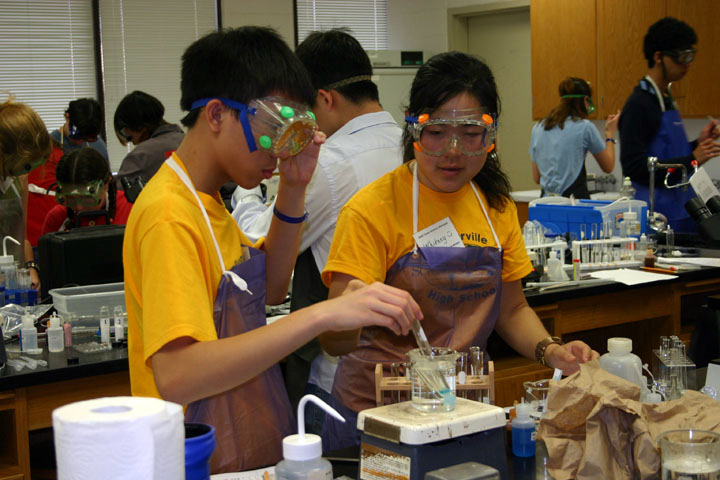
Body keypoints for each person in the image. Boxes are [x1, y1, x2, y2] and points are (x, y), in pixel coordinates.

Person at [123, 26, 420, 474]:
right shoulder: (170, 213)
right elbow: (178, 375)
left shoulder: (207, 202)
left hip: (233, 441)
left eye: (294, 130)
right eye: (271, 128)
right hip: (190, 455)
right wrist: (323, 314)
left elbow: (270, 291)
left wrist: (294, 188)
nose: (278, 148)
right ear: (218, 114)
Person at [318, 52, 598, 451]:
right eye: (436, 132)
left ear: (491, 135)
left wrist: (551, 351)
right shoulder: (372, 209)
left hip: (463, 411)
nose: (453, 150)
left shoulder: (495, 207)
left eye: (470, 133)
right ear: (413, 128)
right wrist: (357, 307)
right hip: (377, 418)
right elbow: (333, 341)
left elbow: (512, 309)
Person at [231, 28, 403, 429]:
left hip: (345, 371)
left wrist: (247, 194)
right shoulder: (410, 147)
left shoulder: (330, 162)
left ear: (324, 98)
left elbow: (258, 243)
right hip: (409, 363)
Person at [619, 17, 720, 233]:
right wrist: (693, 158)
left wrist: (697, 144)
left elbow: (670, 152)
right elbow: (634, 168)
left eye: (690, 56)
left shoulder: (666, 99)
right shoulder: (639, 104)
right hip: (656, 219)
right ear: (659, 57)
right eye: (681, 57)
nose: (687, 64)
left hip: (682, 213)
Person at [27, 97, 109, 247]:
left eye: (88, 137)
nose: (80, 141)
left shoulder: (98, 147)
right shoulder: (47, 150)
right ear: (67, 117)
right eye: (77, 134)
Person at [530, 77, 619, 199]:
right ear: (586, 100)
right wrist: (609, 134)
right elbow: (608, 166)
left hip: (546, 205)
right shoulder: (585, 127)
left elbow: (536, 177)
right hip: (574, 206)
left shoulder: (538, 127)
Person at [0, 96, 51, 291]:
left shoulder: (19, 178)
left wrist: (30, 268)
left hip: (14, 285)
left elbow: (21, 238)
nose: (27, 171)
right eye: (26, 164)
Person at [41, 148, 132, 235]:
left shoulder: (130, 209)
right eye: (70, 198)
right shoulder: (57, 219)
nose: (79, 207)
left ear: (106, 184)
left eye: (87, 198)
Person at [113, 90, 184, 188]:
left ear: (141, 127)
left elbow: (117, 196)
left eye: (129, 135)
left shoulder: (140, 157)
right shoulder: (188, 141)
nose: (133, 142)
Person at [50, 98, 108, 162]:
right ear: (67, 117)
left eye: (85, 138)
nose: (79, 142)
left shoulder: (99, 147)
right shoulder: (49, 146)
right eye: (77, 136)